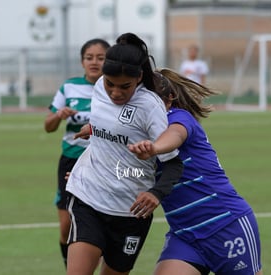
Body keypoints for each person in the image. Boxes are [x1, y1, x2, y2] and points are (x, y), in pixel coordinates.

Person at [65, 33, 184, 275]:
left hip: (131, 211)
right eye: (110, 83)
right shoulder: (99, 87)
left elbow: (173, 164)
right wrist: (94, 129)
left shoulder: (150, 106)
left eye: (124, 87)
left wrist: (156, 193)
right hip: (89, 198)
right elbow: (109, 122)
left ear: (139, 77)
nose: (115, 92)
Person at [128, 68, 263, 275]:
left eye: (153, 101)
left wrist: (155, 148)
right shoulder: (140, 132)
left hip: (225, 224)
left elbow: (175, 136)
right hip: (184, 236)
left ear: (169, 99)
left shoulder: (179, 117)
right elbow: (133, 173)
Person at [44, 38, 110, 269]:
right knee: (65, 226)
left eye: (100, 57)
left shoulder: (114, 88)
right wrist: (59, 115)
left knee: (101, 221)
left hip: (104, 162)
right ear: (82, 61)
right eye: (89, 57)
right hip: (71, 160)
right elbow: (48, 126)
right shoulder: (69, 87)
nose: (94, 62)